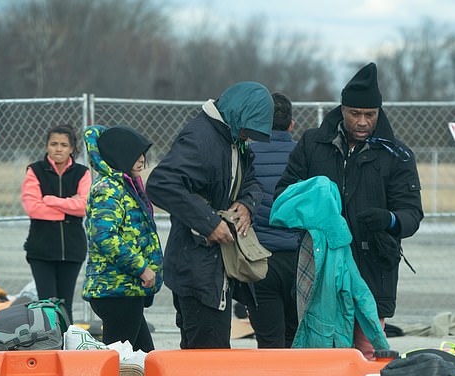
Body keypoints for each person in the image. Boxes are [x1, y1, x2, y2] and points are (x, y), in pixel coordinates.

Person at [275, 62, 424, 358]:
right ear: (342, 109)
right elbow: (284, 194)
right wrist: (315, 212)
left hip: (373, 270)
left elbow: (412, 214)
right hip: (321, 266)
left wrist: (389, 219)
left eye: (370, 115)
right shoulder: (312, 144)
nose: (362, 122)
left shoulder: (396, 154)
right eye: (355, 113)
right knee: (322, 355)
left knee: (367, 354)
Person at [146, 81, 273, 349]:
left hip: (214, 272)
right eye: (247, 131)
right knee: (207, 362)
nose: (248, 137)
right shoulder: (201, 138)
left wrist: (247, 204)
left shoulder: (233, 140)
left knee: (205, 360)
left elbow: (252, 181)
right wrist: (209, 223)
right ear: (237, 116)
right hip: (197, 272)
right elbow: (160, 184)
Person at [82, 125, 163, 352]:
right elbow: (105, 236)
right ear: (119, 156)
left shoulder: (126, 185)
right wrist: (141, 268)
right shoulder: (108, 188)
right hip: (116, 289)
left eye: (142, 155)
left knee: (144, 359)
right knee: (120, 362)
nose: (141, 160)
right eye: (134, 155)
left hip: (127, 290)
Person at [21, 124, 91, 324]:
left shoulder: (82, 173)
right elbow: (33, 208)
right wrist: (69, 207)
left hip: (72, 249)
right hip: (41, 250)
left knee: (65, 304)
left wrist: (51, 200)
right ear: (47, 146)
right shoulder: (35, 171)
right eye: (53, 144)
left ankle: (65, 348)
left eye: (63, 144)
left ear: (72, 148)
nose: (58, 149)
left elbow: (85, 206)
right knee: (47, 304)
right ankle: (49, 346)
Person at [246, 92, 300, 348]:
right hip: (302, 258)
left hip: (261, 258)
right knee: (297, 337)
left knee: (269, 342)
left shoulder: (247, 155)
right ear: (292, 124)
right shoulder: (305, 154)